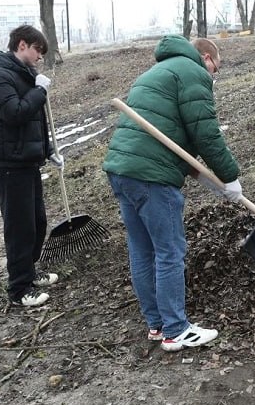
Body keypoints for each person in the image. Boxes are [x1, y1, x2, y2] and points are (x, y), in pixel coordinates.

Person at [103, 35, 241, 352]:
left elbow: (174, 139)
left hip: (122, 170)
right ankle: (176, 330)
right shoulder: (193, 73)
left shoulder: (158, 72)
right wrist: (230, 176)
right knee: (169, 251)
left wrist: (211, 180)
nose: (213, 75)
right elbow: (206, 133)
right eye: (216, 69)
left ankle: (157, 324)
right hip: (151, 176)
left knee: (142, 250)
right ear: (206, 58)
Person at [0, 25, 60, 307]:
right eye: (38, 50)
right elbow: (13, 113)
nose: (40, 56)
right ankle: (19, 289)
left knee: (37, 222)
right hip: (9, 163)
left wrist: (48, 150)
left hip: (27, 160)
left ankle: (29, 272)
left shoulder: (24, 74)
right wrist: (39, 92)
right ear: (22, 45)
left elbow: (33, 123)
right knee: (19, 227)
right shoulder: (1, 75)